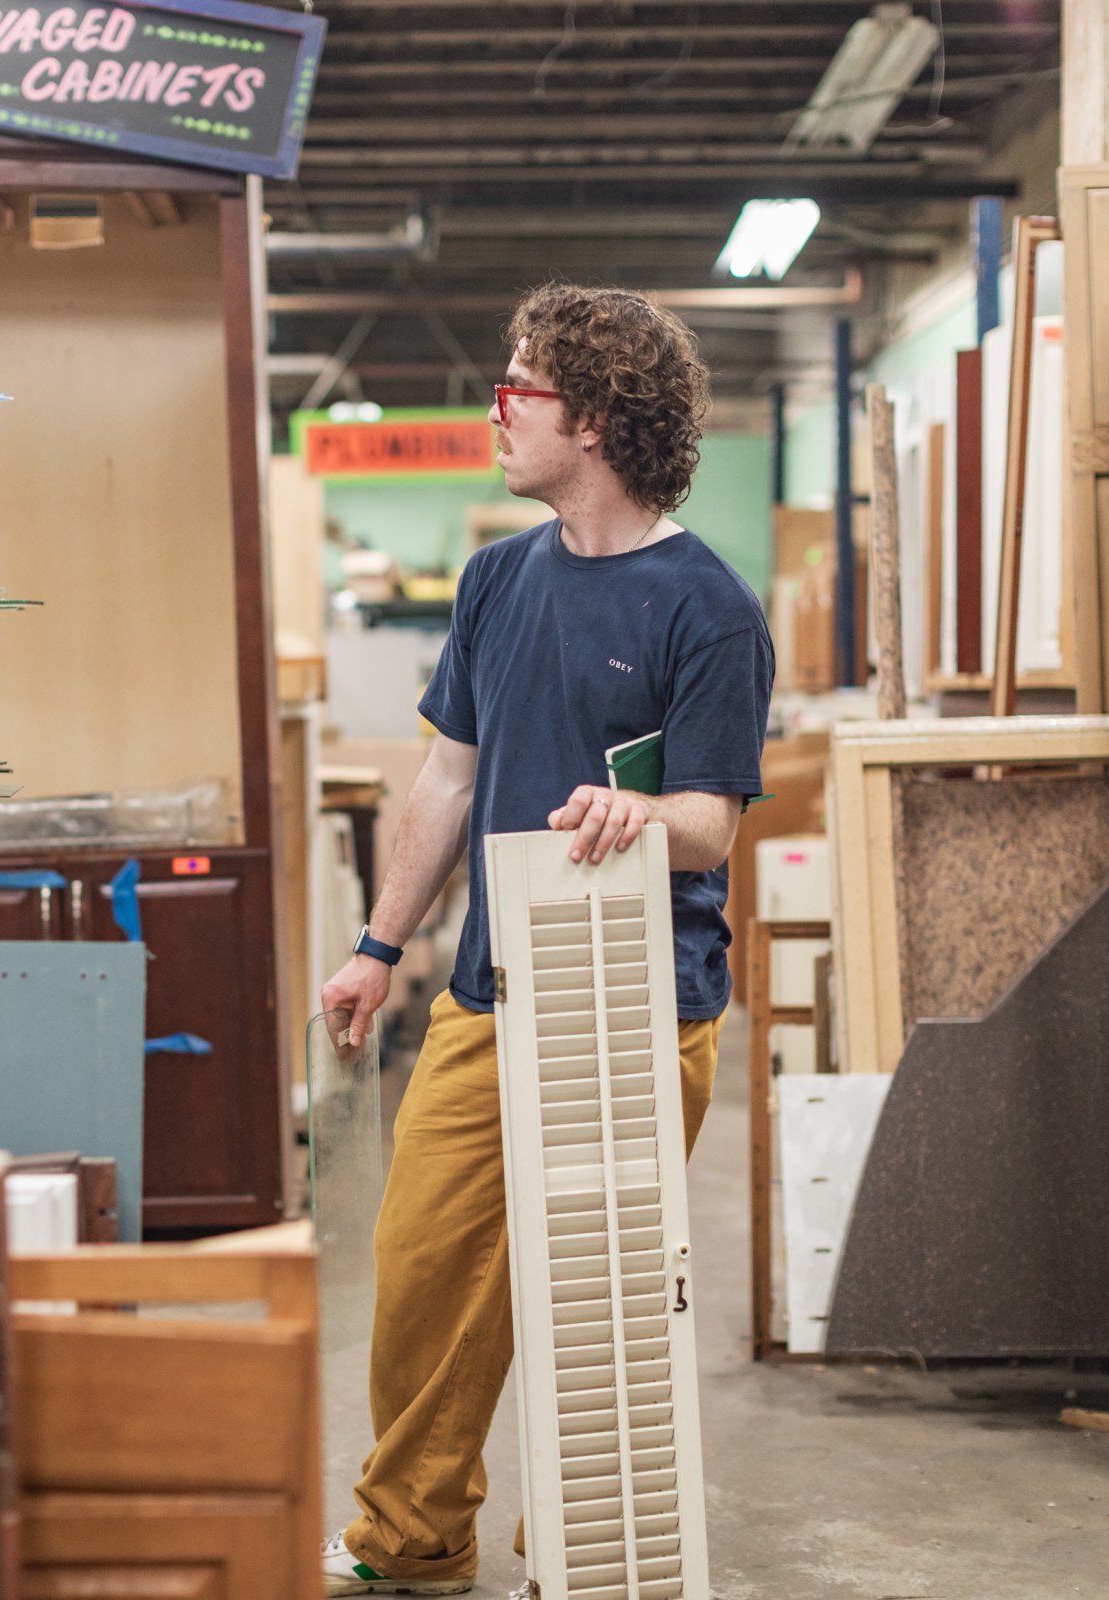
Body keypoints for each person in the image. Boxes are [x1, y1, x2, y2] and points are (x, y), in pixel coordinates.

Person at [318, 284, 776, 1597]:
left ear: (591, 415)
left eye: (515, 388)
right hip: (487, 994)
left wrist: (643, 813)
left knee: (597, 1306)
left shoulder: (706, 608)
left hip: (640, 1001)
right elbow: (445, 784)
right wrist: (377, 942)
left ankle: (583, 1554)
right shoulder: (495, 581)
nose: (494, 412)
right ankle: (412, 1542)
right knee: (420, 1275)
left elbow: (712, 823)